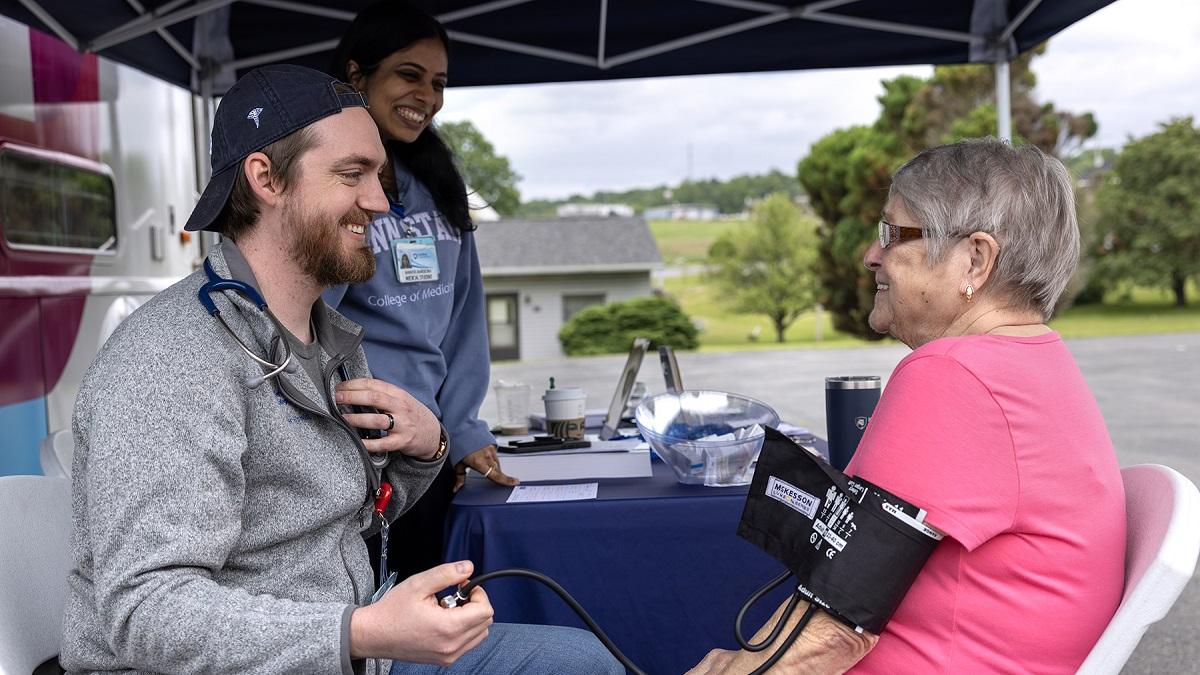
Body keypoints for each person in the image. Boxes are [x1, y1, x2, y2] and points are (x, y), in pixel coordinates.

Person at [60, 64, 621, 675]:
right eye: (353, 174)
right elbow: (148, 613)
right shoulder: (171, 359)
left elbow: (338, 516)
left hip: (343, 650)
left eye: (378, 177)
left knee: (578, 659)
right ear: (266, 178)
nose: (380, 201)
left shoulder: (327, 338)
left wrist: (426, 448)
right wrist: (362, 630)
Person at [689, 139, 1126, 674]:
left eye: (892, 234)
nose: (871, 255)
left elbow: (827, 635)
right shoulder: (1033, 362)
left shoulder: (955, 374)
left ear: (975, 259)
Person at [323, 0, 517, 584]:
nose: (427, 96)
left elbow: (462, 321)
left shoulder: (436, 184)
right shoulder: (327, 182)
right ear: (357, 75)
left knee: (426, 615)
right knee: (358, 623)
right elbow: (301, 320)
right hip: (349, 448)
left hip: (425, 450)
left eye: (439, 83)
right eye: (409, 75)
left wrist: (462, 430)